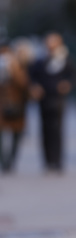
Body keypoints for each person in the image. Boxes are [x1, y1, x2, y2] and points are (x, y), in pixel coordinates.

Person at [30, 32, 76, 172]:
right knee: (45, 130)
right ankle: (48, 160)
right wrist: (34, 86)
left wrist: (67, 84)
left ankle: (57, 160)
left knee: (57, 129)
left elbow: (74, 75)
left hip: (58, 100)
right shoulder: (40, 60)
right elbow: (32, 76)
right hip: (44, 99)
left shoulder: (65, 60)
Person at [0, 42, 29, 173]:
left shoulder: (18, 65)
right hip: (2, 106)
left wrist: (13, 69)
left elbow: (24, 84)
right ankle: (4, 162)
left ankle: (11, 160)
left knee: (17, 133)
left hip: (17, 105)